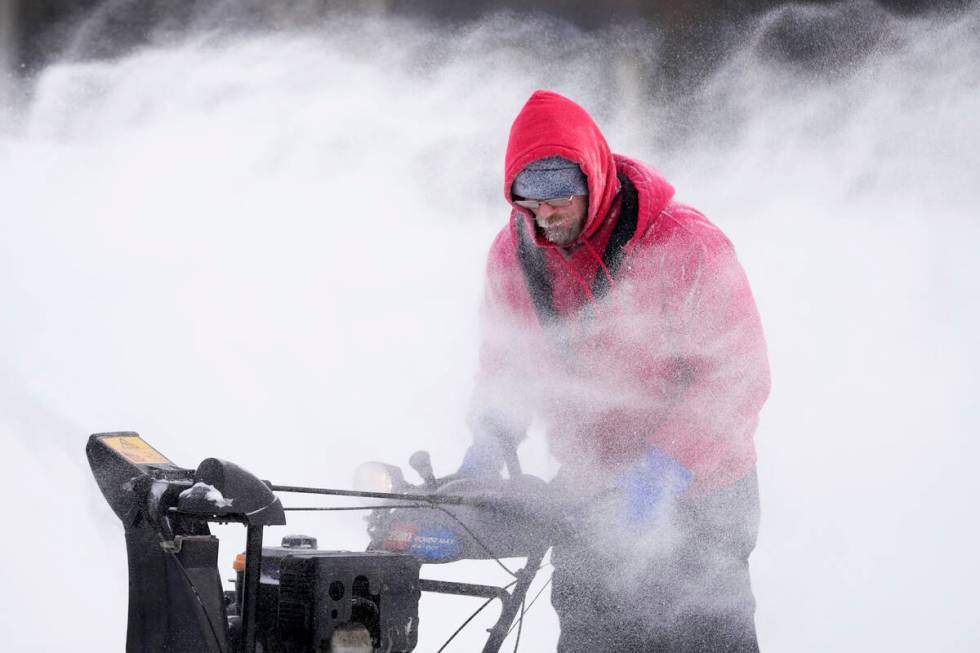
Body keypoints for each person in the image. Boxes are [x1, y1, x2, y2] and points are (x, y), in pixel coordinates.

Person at [458, 89, 771, 652]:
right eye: (528, 198)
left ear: (593, 178)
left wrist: (666, 468)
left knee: (701, 636)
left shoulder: (684, 244)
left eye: (560, 195)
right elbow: (507, 363)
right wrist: (490, 434)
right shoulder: (514, 253)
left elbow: (737, 376)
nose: (545, 214)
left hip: (704, 493)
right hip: (588, 491)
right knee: (594, 636)